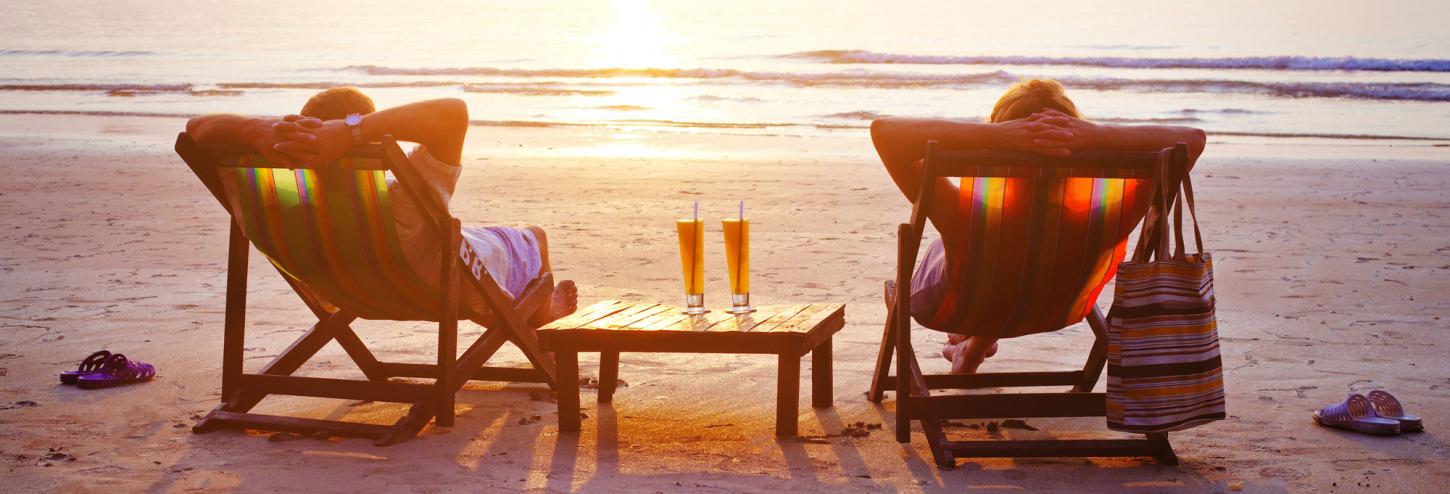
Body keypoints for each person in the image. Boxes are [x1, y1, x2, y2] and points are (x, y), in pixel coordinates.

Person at [870, 79, 1206, 373]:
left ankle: (966, 343)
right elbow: (1192, 140)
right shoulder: (1106, 219)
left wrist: (998, 136)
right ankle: (969, 352)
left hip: (954, 310)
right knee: (1019, 262)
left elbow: (884, 132)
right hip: (1057, 310)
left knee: (971, 255)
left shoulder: (966, 217)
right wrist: (1098, 136)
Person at [185, 88, 577, 326]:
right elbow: (453, 112)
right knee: (532, 237)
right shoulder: (403, 204)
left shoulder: (277, 203)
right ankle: (541, 314)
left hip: (343, 285)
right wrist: (354, 128)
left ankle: (528, 308)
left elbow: (196, 130)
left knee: (469, 237)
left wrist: (258, 131)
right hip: (433, 281)